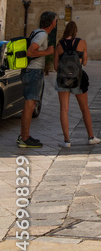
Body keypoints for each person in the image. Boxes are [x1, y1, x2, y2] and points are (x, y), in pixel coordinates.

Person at [54, 22, 101, 148]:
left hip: (63, 80)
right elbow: (84, 62)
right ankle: (91, 137)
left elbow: (55, 67)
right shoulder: (82, 43)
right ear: (76, 31)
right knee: (84, 108)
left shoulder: (59, 45)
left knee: (64, 109)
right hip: (78, 80)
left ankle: (66, 141)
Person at [18, 10, 58, 149]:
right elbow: (30, 51)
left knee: (29, 104)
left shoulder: (36, 32)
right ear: (52, 22)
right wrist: (47, 52)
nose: (56, 22)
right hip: (34, 71)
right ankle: (25, 138)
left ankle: (23, 135)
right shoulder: (41, 35)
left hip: (30, 71)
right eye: (55, 20)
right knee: (30, 105)